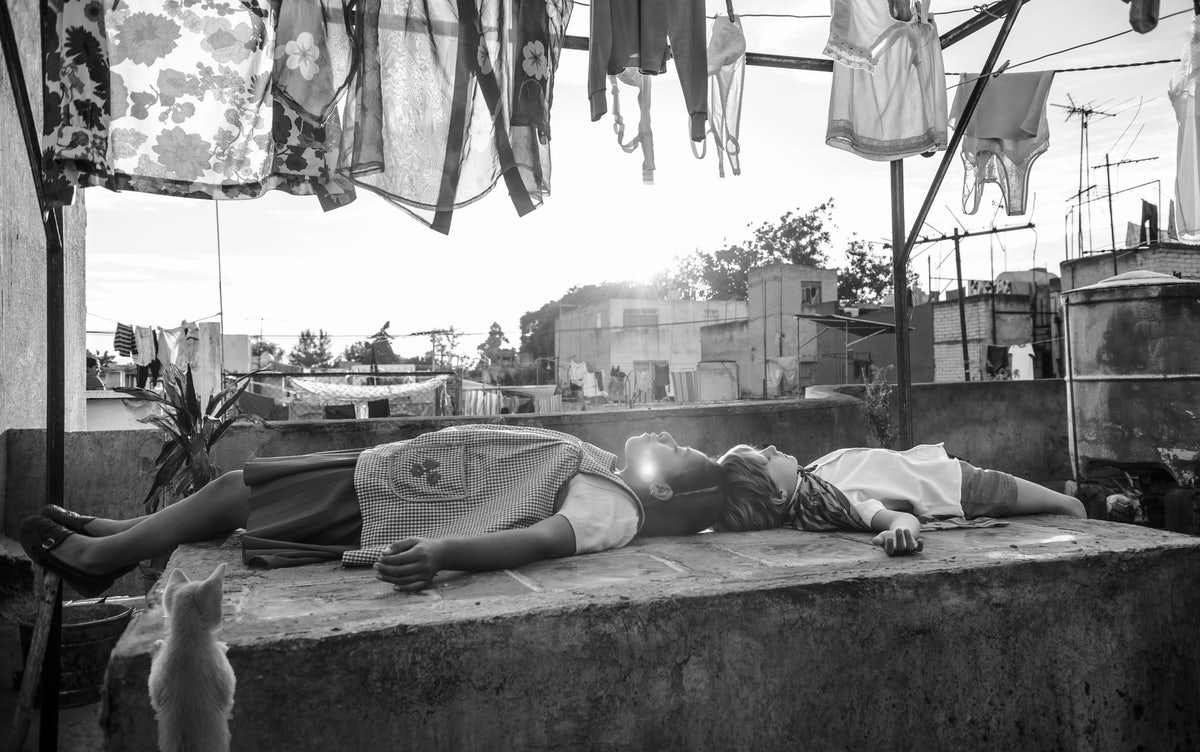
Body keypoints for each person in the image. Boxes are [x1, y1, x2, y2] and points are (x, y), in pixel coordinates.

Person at [21, 425, 726, 597]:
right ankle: (121, 533)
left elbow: (542, 539)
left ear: (662, 491)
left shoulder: (614, 506)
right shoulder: (605, 470)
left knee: (238, 493)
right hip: (391, 477)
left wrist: (442, 554)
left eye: (677, 452)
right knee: (234, 488)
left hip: (391, 505)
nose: (667, 437)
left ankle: (102, 558)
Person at [714, 443, 1086, 557]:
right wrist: (900, 534)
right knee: (1068, 506)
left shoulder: (811, 485)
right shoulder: (829, 501)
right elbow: (894, 518)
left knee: (1062, 505)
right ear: (778, 494)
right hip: (962, 489)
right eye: (764, 459)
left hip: (947, 475)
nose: (771, 448)